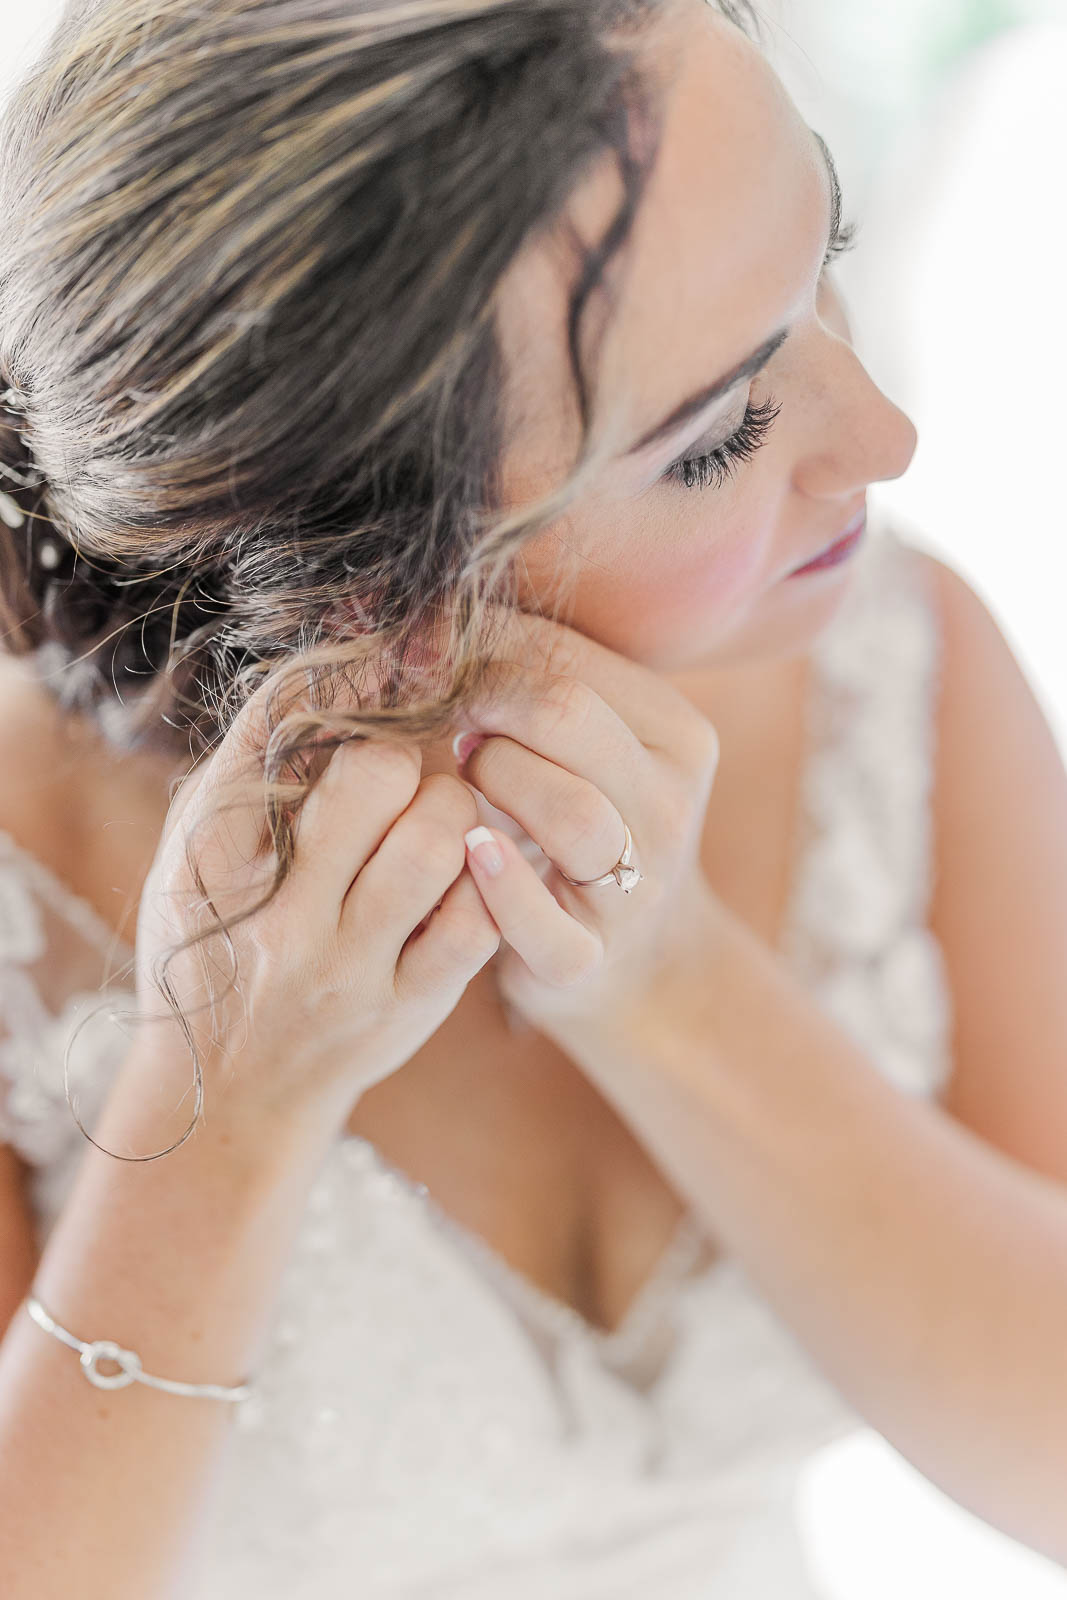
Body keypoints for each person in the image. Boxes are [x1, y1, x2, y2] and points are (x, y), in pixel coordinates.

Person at [0, 0, 1065, 1594]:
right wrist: (220, 1115)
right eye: (718, 436)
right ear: (353, 582)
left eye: (821, 240)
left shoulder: (897, 668)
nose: (888, 439)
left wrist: (672, 985)